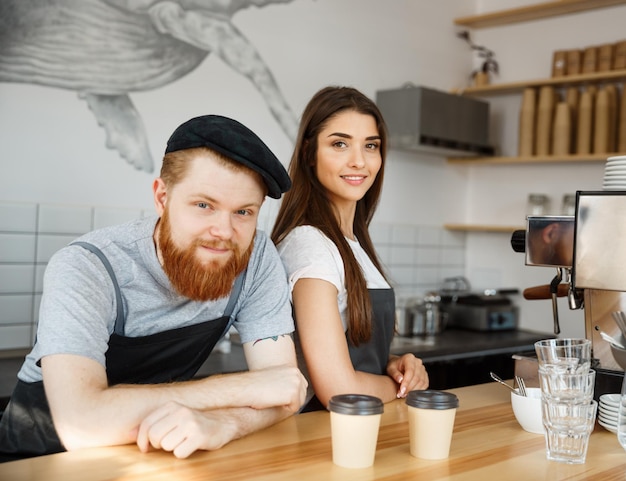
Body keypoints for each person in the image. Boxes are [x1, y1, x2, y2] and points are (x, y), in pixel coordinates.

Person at [0, 115, 307, 461]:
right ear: (162, 197)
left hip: (154, 457)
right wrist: (244, 387)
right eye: (204, 205)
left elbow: (284, 391)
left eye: (243, 212)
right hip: (40, 459)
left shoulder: (256, 258)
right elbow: (80, 423)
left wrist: (226, 425)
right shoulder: (88, 267)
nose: (224, 230)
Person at [271, 86, 429, 412]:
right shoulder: (310, 245)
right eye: (339, 144)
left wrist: (397, 365)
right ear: (308, 153)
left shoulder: (353, 243)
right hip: (321, 439)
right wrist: (399, 387)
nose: (359, 161)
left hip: (361, 429)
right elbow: (338, 391)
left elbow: (353, 352)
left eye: (370, 146)